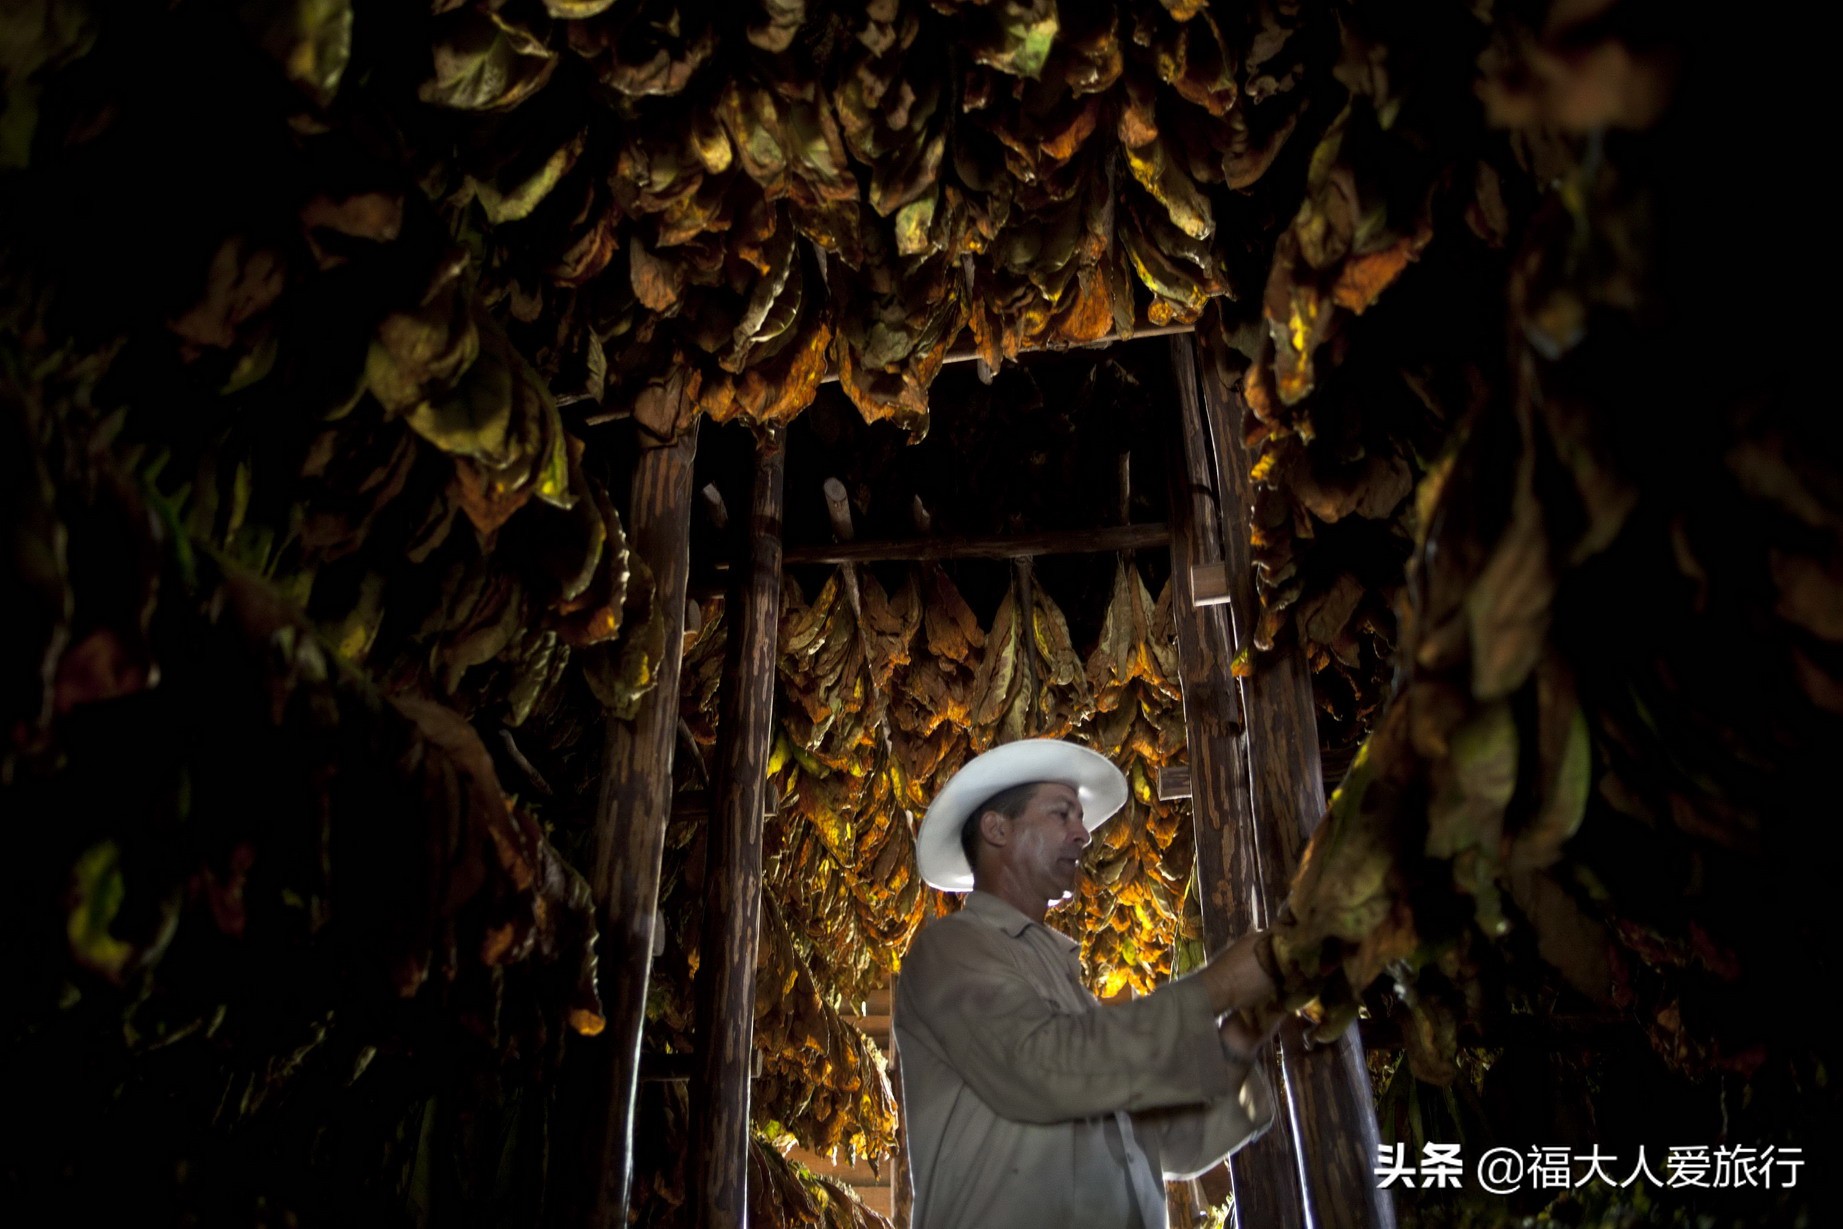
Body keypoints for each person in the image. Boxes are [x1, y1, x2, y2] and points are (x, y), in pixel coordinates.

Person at [894, 737, 1282, 1229]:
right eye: (1062, 815)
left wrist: (1241, 1036)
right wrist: (1217, 987)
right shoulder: (949, 950)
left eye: (1080, 818)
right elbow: (1042, 1069)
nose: (1084, 835)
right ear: (997, 829)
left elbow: (1166, 1147)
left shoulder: (1068, 988)